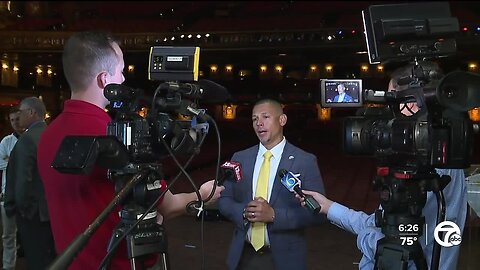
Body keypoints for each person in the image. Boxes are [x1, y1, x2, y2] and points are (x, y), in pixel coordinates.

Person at [36, 31, 224, 270]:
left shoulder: (48, 134)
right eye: (121, 71)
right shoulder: (119, 134)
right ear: (104, 80)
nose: (124, 79)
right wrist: (203, 195)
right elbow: (166, 205)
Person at [299, 61, 468, 270]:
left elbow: (392, 246)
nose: (390, 109)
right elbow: (382, 224)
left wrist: (364, 239)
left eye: (392, 99)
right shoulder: (442, 153)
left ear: (412, 103)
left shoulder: (427, 164)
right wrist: (328, 207)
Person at [218, 98, 325, 270]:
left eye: (265, 117)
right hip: (243, 256)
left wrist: (274, 215)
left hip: (286, 259)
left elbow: (318, 213)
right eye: (254, 119)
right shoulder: (239, 158)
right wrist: (245, 212)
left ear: (282, 120)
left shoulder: (305, 161)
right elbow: (224, 200)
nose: (259, 123)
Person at [4, 97, 56, 270]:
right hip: (49, 210)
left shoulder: (27, 139)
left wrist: (21, 209)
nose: (18, 117)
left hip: (32, 213)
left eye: (21, 112)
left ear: (32, 112)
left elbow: (23, 179)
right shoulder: (51, 134)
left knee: (35, 260)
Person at [0, 107, 25, 270]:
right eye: (12, 120)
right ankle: (9, 267)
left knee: (29, 234)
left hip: (27, 195)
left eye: (17, 119)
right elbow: (3, 166)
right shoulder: (5, 142)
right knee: (8, 236)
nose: (15, 123)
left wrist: (12, 161)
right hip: (7, 194)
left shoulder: (32, 139)